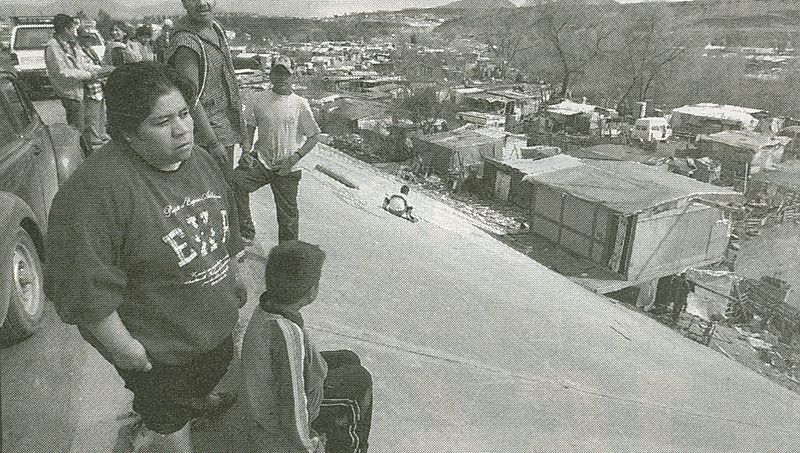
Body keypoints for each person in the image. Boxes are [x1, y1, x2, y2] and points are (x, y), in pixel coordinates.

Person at [44, 62, 246, 453]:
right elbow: (80, 288)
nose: (183, 129)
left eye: (185, 113)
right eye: (162, 122)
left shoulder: (201, 161)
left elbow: (228, 224)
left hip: (210, 327)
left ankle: (196, 403)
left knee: (206, 378)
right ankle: (156, 431)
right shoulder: (92, 194)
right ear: (126, 132)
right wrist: (124, 348)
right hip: (158, 351)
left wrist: (235, 272)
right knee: (167, 423)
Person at [241, 240, 372, 453]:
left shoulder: (269, 305)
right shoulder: (286, 335)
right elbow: (293, 406)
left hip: (269, 393)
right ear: (312, 291)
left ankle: (332, 430)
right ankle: (351, 448)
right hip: (277, 417)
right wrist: (309, 445)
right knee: (360, 380)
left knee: (348, 358)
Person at [232, 55, 321, 245]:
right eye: (277, 73)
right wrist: (246, 152)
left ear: (293, 76)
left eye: (286, 74)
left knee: (288, 218)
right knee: (234, 182)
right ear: (270, 75)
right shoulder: (258, 99)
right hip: (262, 162)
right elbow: (249, 127)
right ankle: (246, 230)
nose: (281, 78)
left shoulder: (300, 103)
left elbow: (314, 136)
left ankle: (286, 258)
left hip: (287, 168)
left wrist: (294, 158)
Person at [166, 0, 244, 183]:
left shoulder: (214, 28)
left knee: (225, 190)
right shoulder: (186, 42)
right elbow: (190, 96)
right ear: (184, 3)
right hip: (207, 134)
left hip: (224, 127)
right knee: (214, 192)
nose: (202, 3)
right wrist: (213, 142)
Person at [44, 14, 99, 141]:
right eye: (72, 28)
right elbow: (61, 72)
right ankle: (80, 155)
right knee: (77, 129)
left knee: (85, 126)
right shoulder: (53, 46)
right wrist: (87, 75)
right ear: (65, 29)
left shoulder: (69, 44)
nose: (74, 31)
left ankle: (86, 153)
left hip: (80, 89)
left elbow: (79, 64)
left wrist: (93, 69)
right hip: (70, 93)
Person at [76, 26, 111, 151]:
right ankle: (94, 138)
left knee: (101, 109)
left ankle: (101, 133)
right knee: (92, 113)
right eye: (85, 38)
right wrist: (98, 69)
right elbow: (84, 66)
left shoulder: (90, 50)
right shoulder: (79, 51)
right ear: (79, 38)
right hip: (90, 83)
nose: (88, 40)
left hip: (98, 83)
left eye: (89, 38)